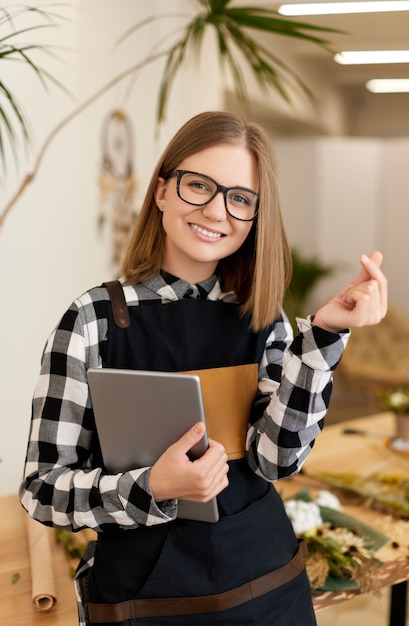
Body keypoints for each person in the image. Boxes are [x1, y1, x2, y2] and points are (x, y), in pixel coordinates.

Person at [19, 110, 387, 626]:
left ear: (256, 216)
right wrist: (154, 486)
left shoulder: (263, 318)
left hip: (269, 591)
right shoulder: (92, 320)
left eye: (239, 198)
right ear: (162, 192)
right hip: (144, 603)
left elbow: (276, 459)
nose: (217, 211)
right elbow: (42, 490)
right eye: (199, 186)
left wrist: (324, 336)